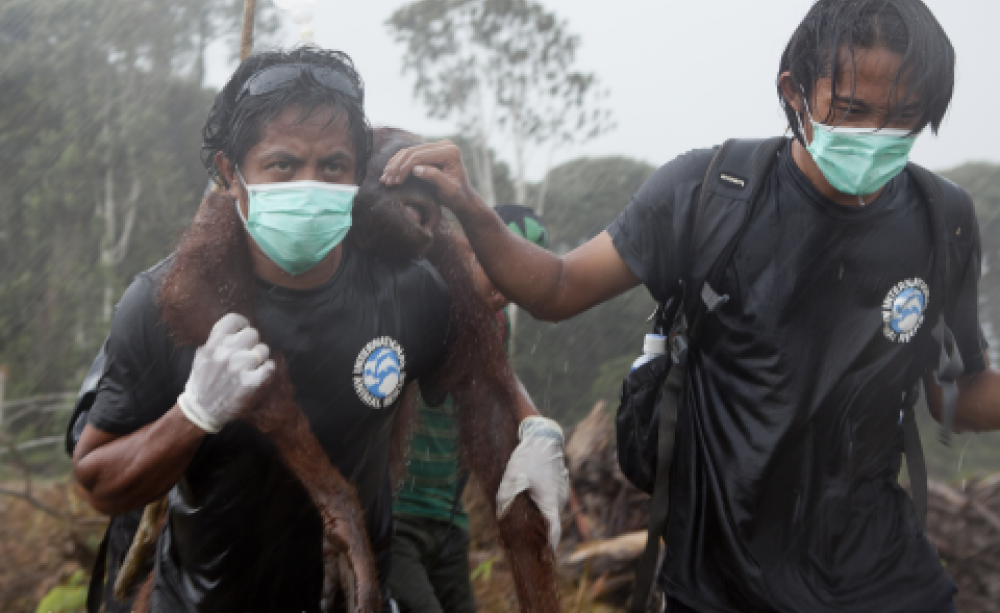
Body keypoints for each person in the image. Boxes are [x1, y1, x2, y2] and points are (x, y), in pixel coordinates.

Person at [380, 1, 1000, 611]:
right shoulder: (710, 193)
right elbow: (557, 288)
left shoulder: (941, 219)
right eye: (852, 110)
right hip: (725, 581)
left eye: (904, 119)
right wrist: (471, 209)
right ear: (794, 91)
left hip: (883, 578)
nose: (875, 137)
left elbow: (952, 393)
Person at [70, 47, 565, 613]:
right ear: (231, 174)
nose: (310, 186)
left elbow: (483, 382)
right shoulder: (162, 302)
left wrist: (532, 433)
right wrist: (193, 415)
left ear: (358, 172)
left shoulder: (409, 292)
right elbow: (98, 482)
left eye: (332, 167)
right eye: (283, 165)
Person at [388, 205, 549, 613]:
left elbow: (495, 400)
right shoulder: (422, 294)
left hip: (447, 515)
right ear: (470, 252)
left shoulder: (496, 325)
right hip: (395, 514)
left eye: (518, 276)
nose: (504, 287)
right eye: (494, 267)